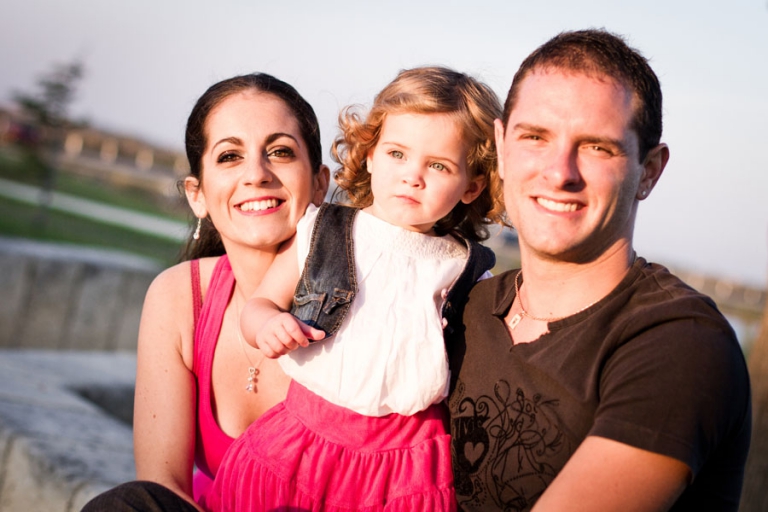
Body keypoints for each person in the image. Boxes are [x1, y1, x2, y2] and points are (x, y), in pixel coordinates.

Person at [447, 29, 752, 512]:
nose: (559, 171)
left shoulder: (677, 343)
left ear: (649, 171)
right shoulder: (462, 306)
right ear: (502, 148)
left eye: (597, 147)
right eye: (535, 137)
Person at [204, 66, 505, 511]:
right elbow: (259, 303)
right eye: (397, 154)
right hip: (304, 437)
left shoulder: (463, 268)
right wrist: (268, 323)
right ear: (368, 153)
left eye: (438, 165)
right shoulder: (322, 229)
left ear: (471, 186)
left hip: (406, 460)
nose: (412, 176)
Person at [81, 73, 330, 511]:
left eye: (281, 151)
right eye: (230, 156)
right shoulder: (180, 298)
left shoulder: (361, 299)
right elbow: (161, 489)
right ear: (197, 194)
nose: (256, 174)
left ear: (320, 183)